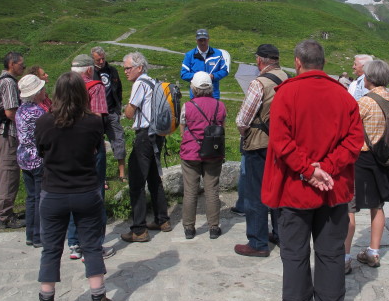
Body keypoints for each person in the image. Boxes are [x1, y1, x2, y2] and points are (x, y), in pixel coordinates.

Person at [262, 40, 363, 301]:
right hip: (334, 189)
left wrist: (309, 171)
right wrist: (327, 168)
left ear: (297, 62)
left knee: (294, 253)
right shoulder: (344, 96)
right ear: (323, 62)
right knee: (331, 253)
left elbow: (281, 142)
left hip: (296, 189)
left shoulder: (286, 93)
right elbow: (354, 141)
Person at [34, 72, 113, 301]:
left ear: (56, 93)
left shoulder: (44, 122)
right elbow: (95, 151)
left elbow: (41, 151)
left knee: (51, 249)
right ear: (82, 93)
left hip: (53, 192)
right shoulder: (93, 123)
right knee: (91, 246)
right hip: (86, 191)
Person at [234, 44, 289, 257]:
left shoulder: (258, 83)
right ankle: (280, 234)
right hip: (281, 144)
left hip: (258, 144)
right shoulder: (286, 78)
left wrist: (243, 129)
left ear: (259, 61)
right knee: (277, 190)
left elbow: (243, 120)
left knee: (255, 194)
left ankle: (257, 242)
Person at [345, 60, 389, 274]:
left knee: (349, 207)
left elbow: (348, 126)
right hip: (383, 158)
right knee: (378, 206)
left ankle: (344, 257)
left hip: (361, 158)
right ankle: (374, 251)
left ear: (371, 78)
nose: (363, 78)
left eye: (365, 75)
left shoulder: (365, 102)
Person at [121, 51, 172, 242]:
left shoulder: (140, 84)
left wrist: (125, 108)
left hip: (144, 136)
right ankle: (162, 219)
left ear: (139, 67)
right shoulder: (154, 82)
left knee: (136, 182)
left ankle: (139, 229)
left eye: (128, 68)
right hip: (157, 135)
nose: (125, 71)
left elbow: (129, 112)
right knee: (153, 178)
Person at [67, 55, 114, 260]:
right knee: (95, 194)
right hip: (91, 147)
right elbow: (98, 119)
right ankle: (93, 245)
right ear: (88, 70)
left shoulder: (66, 86)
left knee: (73, 192)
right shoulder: (95, 87)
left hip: (68, 147)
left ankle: (74, 243)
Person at [179, 71, 227, 239]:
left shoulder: (188, 106)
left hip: (191, 153)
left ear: (194, 88)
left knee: (190, 191)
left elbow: (182, 129)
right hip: (213, 152)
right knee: (212, 190)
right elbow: (222, 128)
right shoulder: (220, 106)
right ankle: (214, 227)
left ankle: (189, 228)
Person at [0, 51, 26, 229]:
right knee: (8, 172)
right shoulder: (8, 83)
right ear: (12, 64)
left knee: (9, 172)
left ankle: (6, 211)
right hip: (8, 133)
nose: (23, 67)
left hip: (6, 133)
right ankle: (4, 216)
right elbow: (10, 112)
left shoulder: (5, 81)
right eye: (21, 64)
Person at [16, 74, 48, 248]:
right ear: (36, 93)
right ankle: (38, 235)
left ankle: (30, 233)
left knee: (30, 197)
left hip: (23, 157)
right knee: (40, 197)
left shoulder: (21, 109)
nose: (44, 91)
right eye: (41, 89)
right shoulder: (38, 112)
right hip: (37, 158)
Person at [91, 46, 126, 182]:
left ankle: (122, 174)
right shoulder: (90, 73)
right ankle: (101, 176)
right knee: (97, 145)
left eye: (103, 58)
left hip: (111, 112)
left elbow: (119, 89)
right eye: (98, 59)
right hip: (96, 114)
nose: (101, 61)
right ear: (93, 59)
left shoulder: (112, 70)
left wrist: (118, 109)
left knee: (119, 140)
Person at [181, 29, 229, 99]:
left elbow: (224, 71)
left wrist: (213, 76)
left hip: (213, 94)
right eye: (200, 40)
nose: (203, 43)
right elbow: (184, 74)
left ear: (208, 39)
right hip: (196, 95)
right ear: (196, 40)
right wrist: (199, 76)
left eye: (205, 40)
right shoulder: (189, 55)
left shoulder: (218, 54)